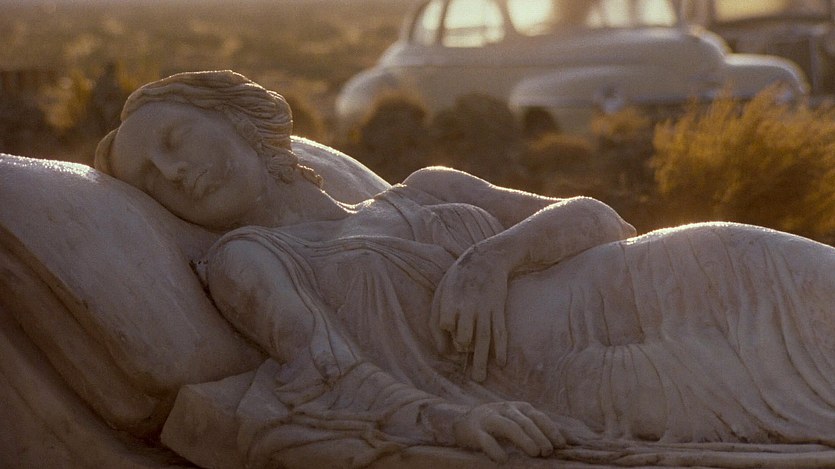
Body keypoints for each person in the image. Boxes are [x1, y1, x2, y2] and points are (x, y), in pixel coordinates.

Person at [95, 70, 835, 466]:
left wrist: (494, 257)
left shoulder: (425, 186)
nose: (173, 172)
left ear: (232, 117)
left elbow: (600, 219)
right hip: (601, 373)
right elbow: (327, 372)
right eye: (153, 179)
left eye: (174, 140)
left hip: (681, 271)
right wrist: (456, 418)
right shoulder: (248, 260)